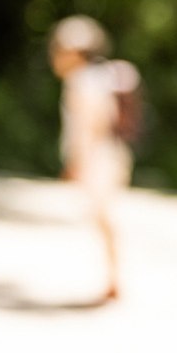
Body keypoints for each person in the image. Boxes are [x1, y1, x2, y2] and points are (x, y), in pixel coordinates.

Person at [49, 16, 135, 302]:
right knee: (103, 218)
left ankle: (115, 280)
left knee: (103, 218)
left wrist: (78, 162)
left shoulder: (80, 81)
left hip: (99, 159)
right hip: (108, 155)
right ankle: (113, 278)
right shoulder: (97, 78)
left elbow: (91, 125)